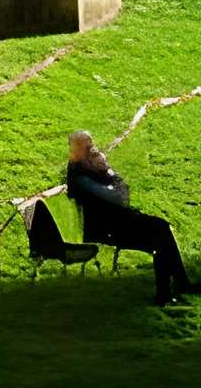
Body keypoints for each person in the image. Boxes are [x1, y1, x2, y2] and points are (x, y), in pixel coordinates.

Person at [65, 130, 192, 305]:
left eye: (91, 144)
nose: (91, 149)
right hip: (105, 228)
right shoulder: (79, 175)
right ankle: (165, 294)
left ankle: (180, 284)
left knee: (161, 227)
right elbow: (117, 197)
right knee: (159, 237)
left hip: (119, 221)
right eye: (86, 147)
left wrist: (107, 170)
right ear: (74, 150)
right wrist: (108, 172)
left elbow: (124, 193)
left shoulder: (92, 167)